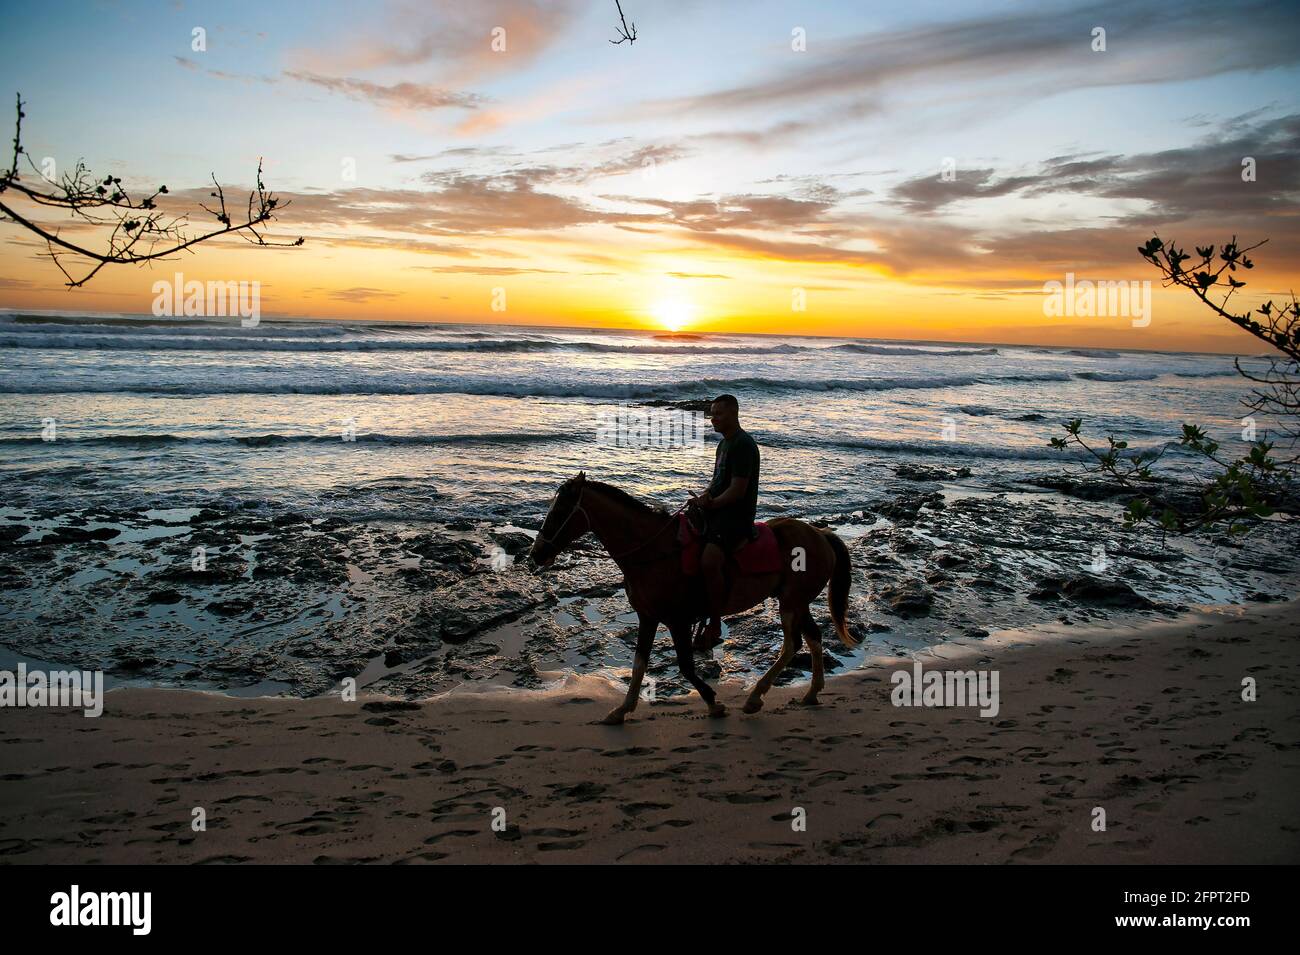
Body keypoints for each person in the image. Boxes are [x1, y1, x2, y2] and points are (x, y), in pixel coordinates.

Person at [688, 393, 760, 650]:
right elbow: (718, 482)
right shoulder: (724, 444)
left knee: (709, 559)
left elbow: (737, 491)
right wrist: (704, 497)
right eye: (711, 414)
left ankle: (715, 622)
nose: (712, 419)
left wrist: (713, 504)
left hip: (735, 518)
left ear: (733, 414)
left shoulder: (743, 445)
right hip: (719, 511)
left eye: (718, 414)